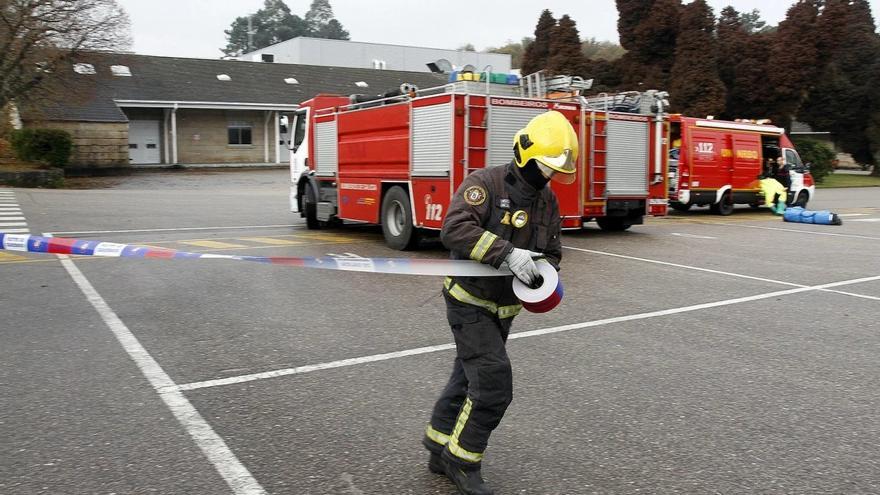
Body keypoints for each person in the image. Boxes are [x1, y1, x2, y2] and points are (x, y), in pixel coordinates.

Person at [423, 110, 577, 495]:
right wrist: (506, 252)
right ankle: (462, 460)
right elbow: (454, 228)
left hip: (505, 311)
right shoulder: (485, 185)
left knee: (467, 376)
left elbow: (554, 252)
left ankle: (438, 444)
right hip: (469, 302)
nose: (550, 176)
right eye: (547, 167)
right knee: (493, 384)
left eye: (555, 170)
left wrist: (543, 271)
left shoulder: (548, 201)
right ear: (527, 153)